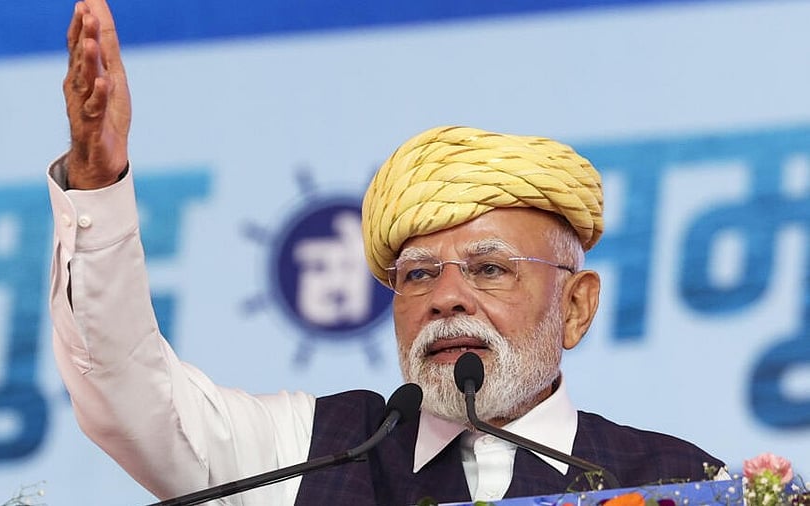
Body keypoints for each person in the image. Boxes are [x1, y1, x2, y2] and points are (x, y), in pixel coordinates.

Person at [49, 1, 725, 504]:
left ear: (576, 307)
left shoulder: (681, 483)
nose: (446, 297)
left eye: (489, 268)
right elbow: (129, 392)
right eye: (419, 274)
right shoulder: (312, 456)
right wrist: (99, 183)